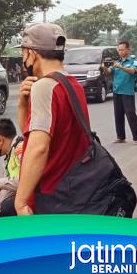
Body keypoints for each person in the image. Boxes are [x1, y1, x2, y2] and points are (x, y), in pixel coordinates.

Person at [14, 23, 91, 216]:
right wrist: (23, 104)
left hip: (51, 195)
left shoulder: (45, 87)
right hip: (72, 191)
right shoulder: (72, 84)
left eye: (23, 53)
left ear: (31, 53)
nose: (23, 59)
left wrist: (21, 201)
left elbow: (38, 147)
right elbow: (29, 135)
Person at [103, 40, 137, 145]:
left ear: (128, 50)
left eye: (122, 49)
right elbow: (109, 71)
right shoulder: (117, 61)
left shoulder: (133, 60)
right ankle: (120, 136)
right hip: (117, 91)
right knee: (118, 115)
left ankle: (136, 138)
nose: (120, 52)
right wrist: (104, 67)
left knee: (130, 114)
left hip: (127, 92)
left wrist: (120, 66)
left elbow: (133, 71)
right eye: (119, 50)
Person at [0, 118, 23, 218]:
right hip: (17, 201)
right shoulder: (10, 154)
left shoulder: (20, 149)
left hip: (25, 205)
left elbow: (25, 181)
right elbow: (7, 189)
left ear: (0, 140)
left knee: (7, 207)